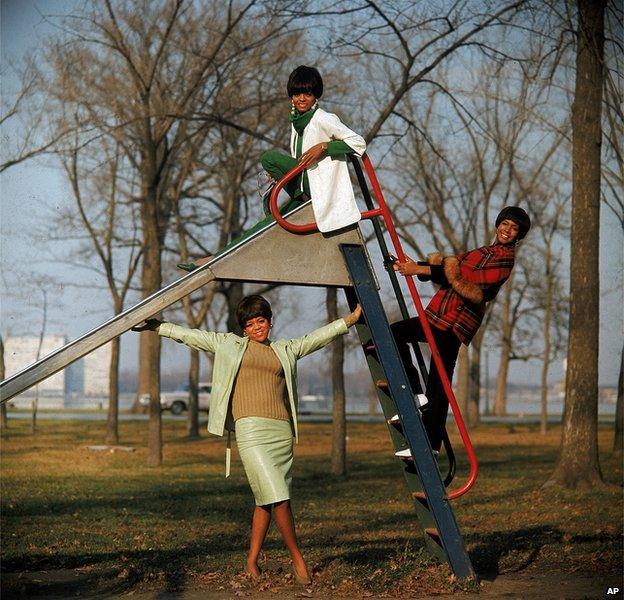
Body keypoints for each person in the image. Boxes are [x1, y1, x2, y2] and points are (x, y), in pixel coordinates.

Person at [132, 296, 362, 584]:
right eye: (250, 324)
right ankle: (298, 559)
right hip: (250, 431)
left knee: (265, 500)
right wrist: (158, 327)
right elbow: (192, 337)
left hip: (280, 431)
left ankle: (252, 561)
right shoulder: (228, 344)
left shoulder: (285, 349)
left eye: (261, 321)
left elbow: (315, 338)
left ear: (269, 321)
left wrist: (350, 320)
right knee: (280, 498)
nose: (257, 328)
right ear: (243, 328)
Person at [178, 65, 366, 271]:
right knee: (266, 225)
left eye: (307, 93)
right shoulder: (296, 124)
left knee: (269, 158)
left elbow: (358, 143)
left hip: (317, 189)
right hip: (304, 187)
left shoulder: (323, 119)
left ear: (315, 96)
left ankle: (300, 194)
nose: (301, 98)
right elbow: (299, 159)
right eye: (296, 93)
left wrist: (325, 147)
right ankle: (214, 259)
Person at [390, 206, 531, 453]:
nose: (507, 231)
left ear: (518, 235)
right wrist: (417, 266)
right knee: (399, 339)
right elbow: (449, 269)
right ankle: (418, 405)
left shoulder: (505, 259)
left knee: (437, 382)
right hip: (438, 316)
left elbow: (463, 277)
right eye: (505, 224)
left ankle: (428, 440)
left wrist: (421, 270)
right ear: (498, 224)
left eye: (514, 228)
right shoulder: (484, 251)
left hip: (454, 323)